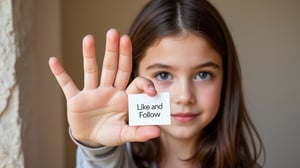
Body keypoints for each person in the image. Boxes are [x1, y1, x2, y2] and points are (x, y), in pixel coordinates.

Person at [49, 0, 265, 167]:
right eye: (163, 75)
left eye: (203, 75)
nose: (184, 96)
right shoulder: (115, 159)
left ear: (226, 79)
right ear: (135, 77)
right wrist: (98, 150)